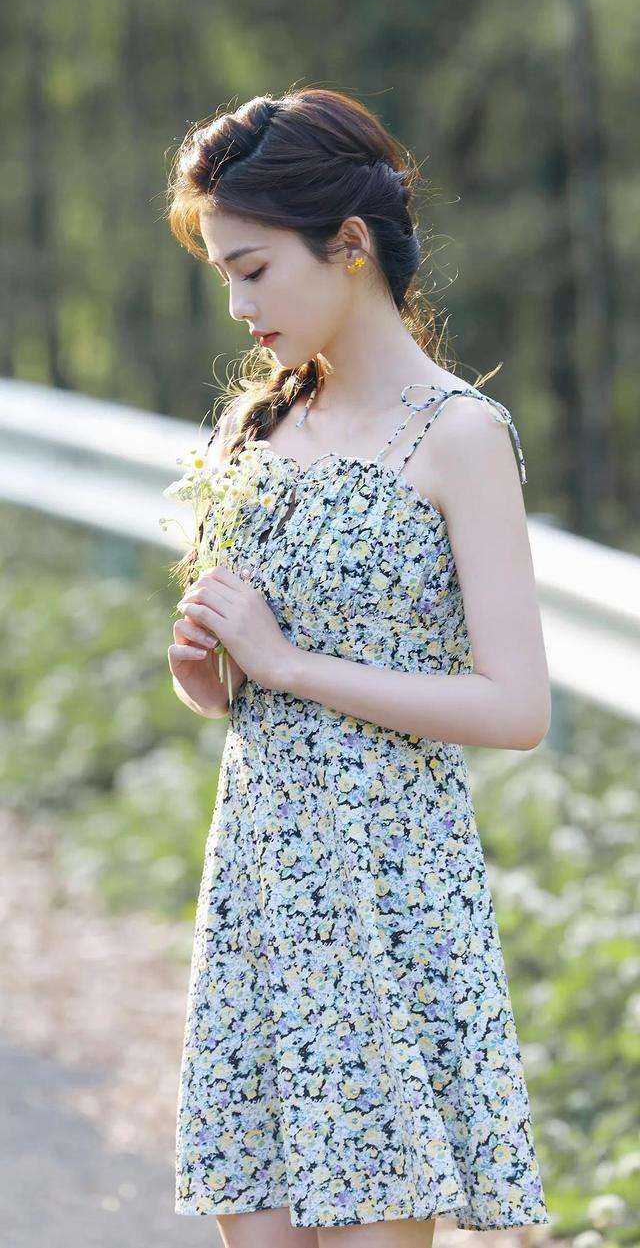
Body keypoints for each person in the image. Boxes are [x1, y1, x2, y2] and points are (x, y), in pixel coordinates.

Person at [165, 86, 552, 1248]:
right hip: (261, 890)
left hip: (389, 898)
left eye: (252, 269)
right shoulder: (254, 429)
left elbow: (515, 705)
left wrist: (286, 662)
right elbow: (233, 685)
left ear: (347, 243)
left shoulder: (459, 435)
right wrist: (209, 665)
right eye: (224, 276)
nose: (238, 305)